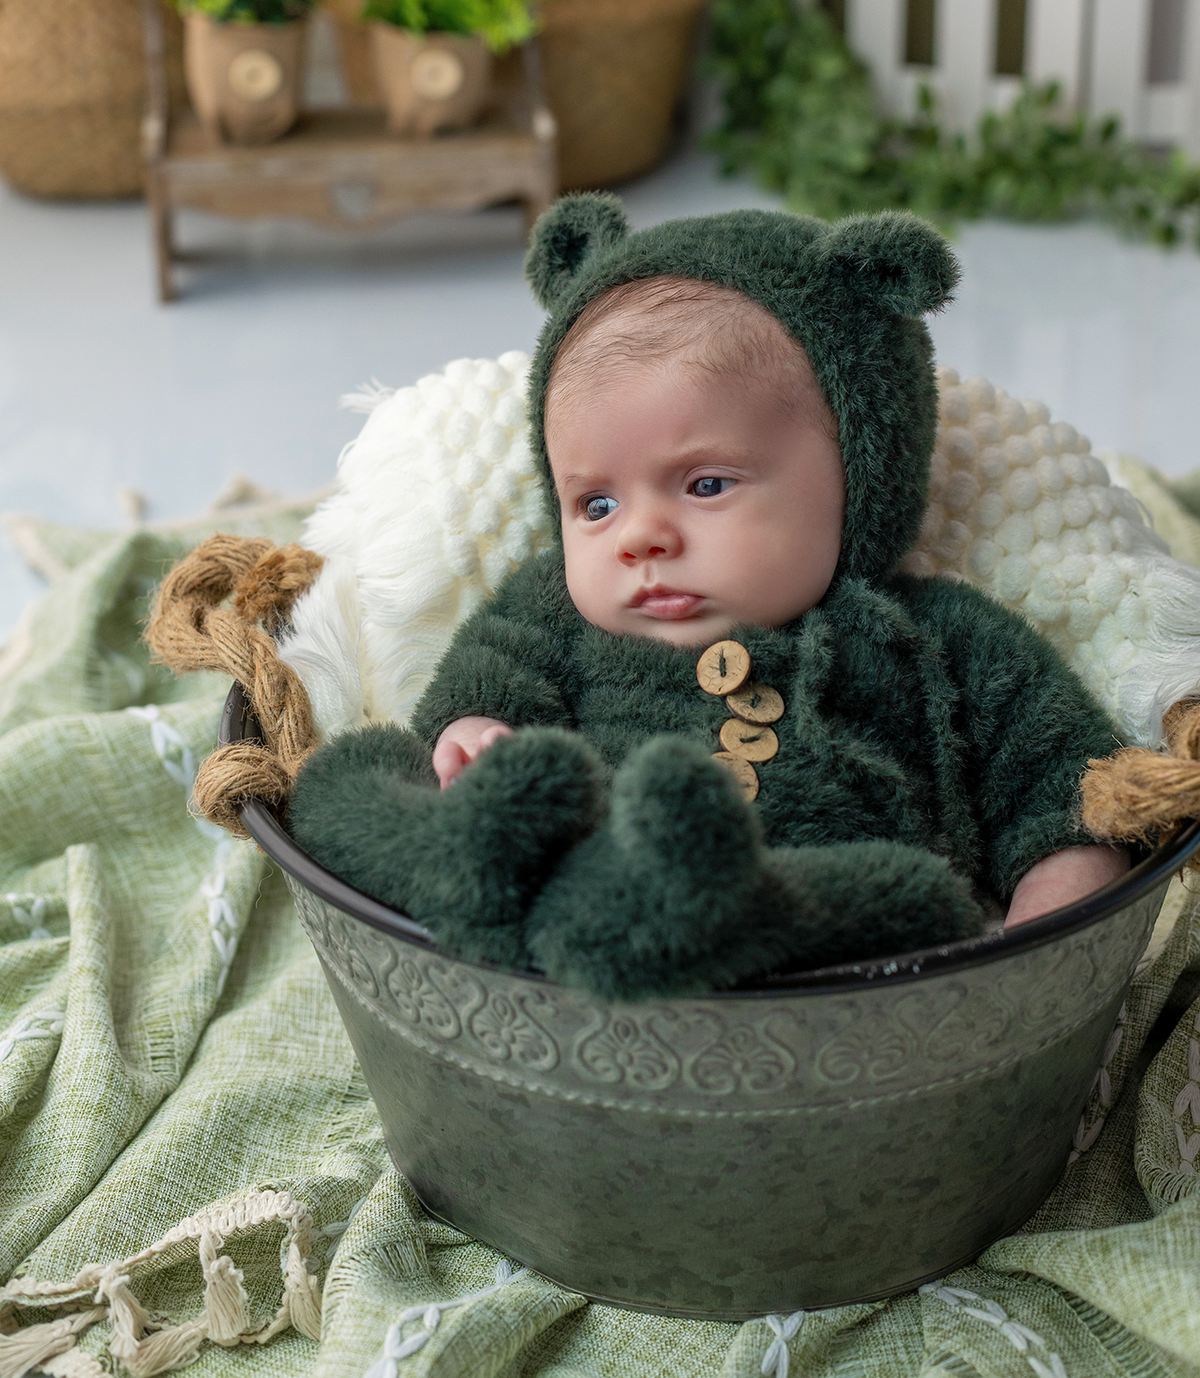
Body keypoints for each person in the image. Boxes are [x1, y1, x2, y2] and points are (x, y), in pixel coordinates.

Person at [290, 198, 1129, 998]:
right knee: (351, 779)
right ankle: (561, 895)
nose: (639, 538)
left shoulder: (936, 637)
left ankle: (675, 909)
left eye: (705, 482)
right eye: (597, 504)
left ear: (859, 471)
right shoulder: (553, 608)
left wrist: (1029, 947)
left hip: (830, 949)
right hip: (581, 889)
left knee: (911, 896)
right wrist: (472, 741)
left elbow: (1073, 797)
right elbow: (473, 698)